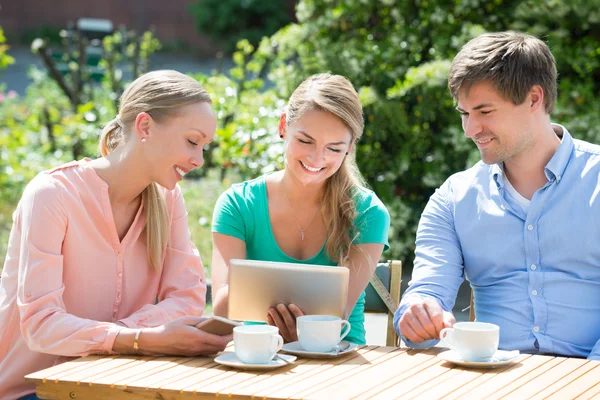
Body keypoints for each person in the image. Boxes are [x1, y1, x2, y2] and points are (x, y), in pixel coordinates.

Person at [0, 70, 232, 400]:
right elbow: (41, 326)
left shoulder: (167, 199)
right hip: (31, 390)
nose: (198, 160)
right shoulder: (52, 195)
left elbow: (187, 298)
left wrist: (128, 336)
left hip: (115, 383)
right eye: (192, 142)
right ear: (145, 126)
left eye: (205, 147)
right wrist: (143, 338)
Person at [394, 31, 600, 360]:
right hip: (494, 382)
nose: (470, 129)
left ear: (534, 99)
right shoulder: (452, 200)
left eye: (485, 112)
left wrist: (586, 382)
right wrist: (420, 314)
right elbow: (428, 289)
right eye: (464, 114)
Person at [211, 73, 390, 344]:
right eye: (305, 141)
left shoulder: (368, 213)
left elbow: (336, 320)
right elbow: (223, 313)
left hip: (337, 357)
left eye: (334, 148)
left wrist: (260, 295)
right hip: (260, 356)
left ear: (350, 147)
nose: (317, 159)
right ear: (284, 126)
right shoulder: (238, 205)